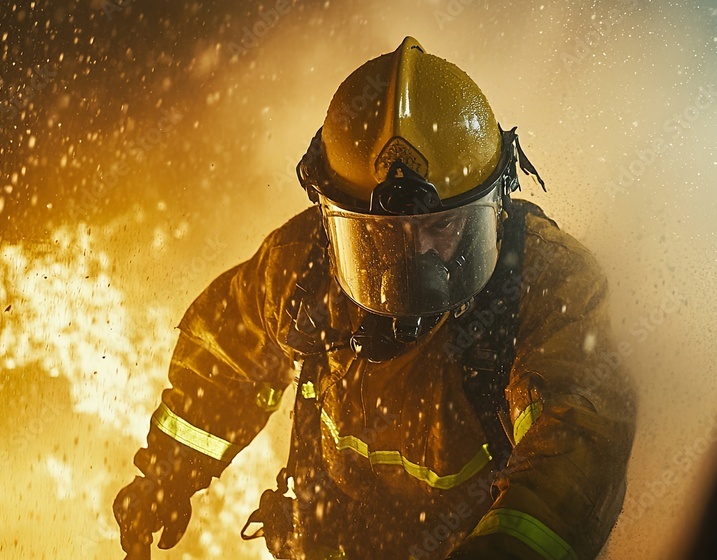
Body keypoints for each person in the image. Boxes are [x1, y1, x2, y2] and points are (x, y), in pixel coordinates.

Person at [114, 36, 636, 560]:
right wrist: (168, 473)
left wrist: (508, 548)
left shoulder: (545, 285)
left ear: (497, 203)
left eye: (444, 227)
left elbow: (574, 437)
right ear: (330, 216)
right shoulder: (303, 270)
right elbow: (227, 359)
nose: (412, 261)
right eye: (381, 236)